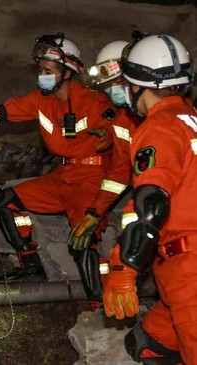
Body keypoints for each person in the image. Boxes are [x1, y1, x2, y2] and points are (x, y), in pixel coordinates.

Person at [0, 33, 118, 308]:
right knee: (5, 202)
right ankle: (30, 264)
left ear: (67, 72)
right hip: (60, 177)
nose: (42, 75)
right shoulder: (41, 100)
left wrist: (110, 136)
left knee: (84, 242)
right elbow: (4, 111)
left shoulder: (92, 102)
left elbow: (119, 127)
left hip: (90, 178)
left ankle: (104, 306)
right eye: (40, 70)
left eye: (48, 71)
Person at [100, 34, 196, 364]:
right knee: (146, 344)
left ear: (136, 85)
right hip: (177, 273)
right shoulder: (192, 122)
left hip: (190, 271)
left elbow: (151, 201)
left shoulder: (160, 127)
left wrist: (125, 268)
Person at [70, 41, 140, 252]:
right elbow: (119, 173)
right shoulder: (121, 121)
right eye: (106, 87)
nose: (111, 92)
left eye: (115, 83)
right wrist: (94, 213)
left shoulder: (165, 116)